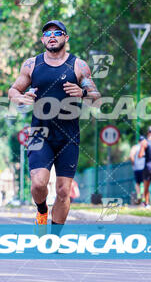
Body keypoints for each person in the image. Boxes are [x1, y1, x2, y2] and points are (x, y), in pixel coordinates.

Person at [8, 20, 101, 232]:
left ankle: (55, 236)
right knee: (39, 183)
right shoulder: (32, 65)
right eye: (47, 33)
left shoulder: (78, 66)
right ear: (42, 40)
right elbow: (13, 90)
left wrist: (83, 93)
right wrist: (20, 98)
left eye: (57, 33)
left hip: (68, 136)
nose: (52, 36)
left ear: (65, 38)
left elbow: (96, 96)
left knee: (63, 191)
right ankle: (41, 210)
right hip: (40, 133)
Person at [129, 136, 146, 205]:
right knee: (145, 183)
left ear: (138, 141)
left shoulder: (135, 147)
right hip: (145, 168)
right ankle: (144, 198)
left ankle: (139, 195)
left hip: (137, 168)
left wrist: (133, 164)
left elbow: (131, 156)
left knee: (137, 183)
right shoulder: (146, 147)